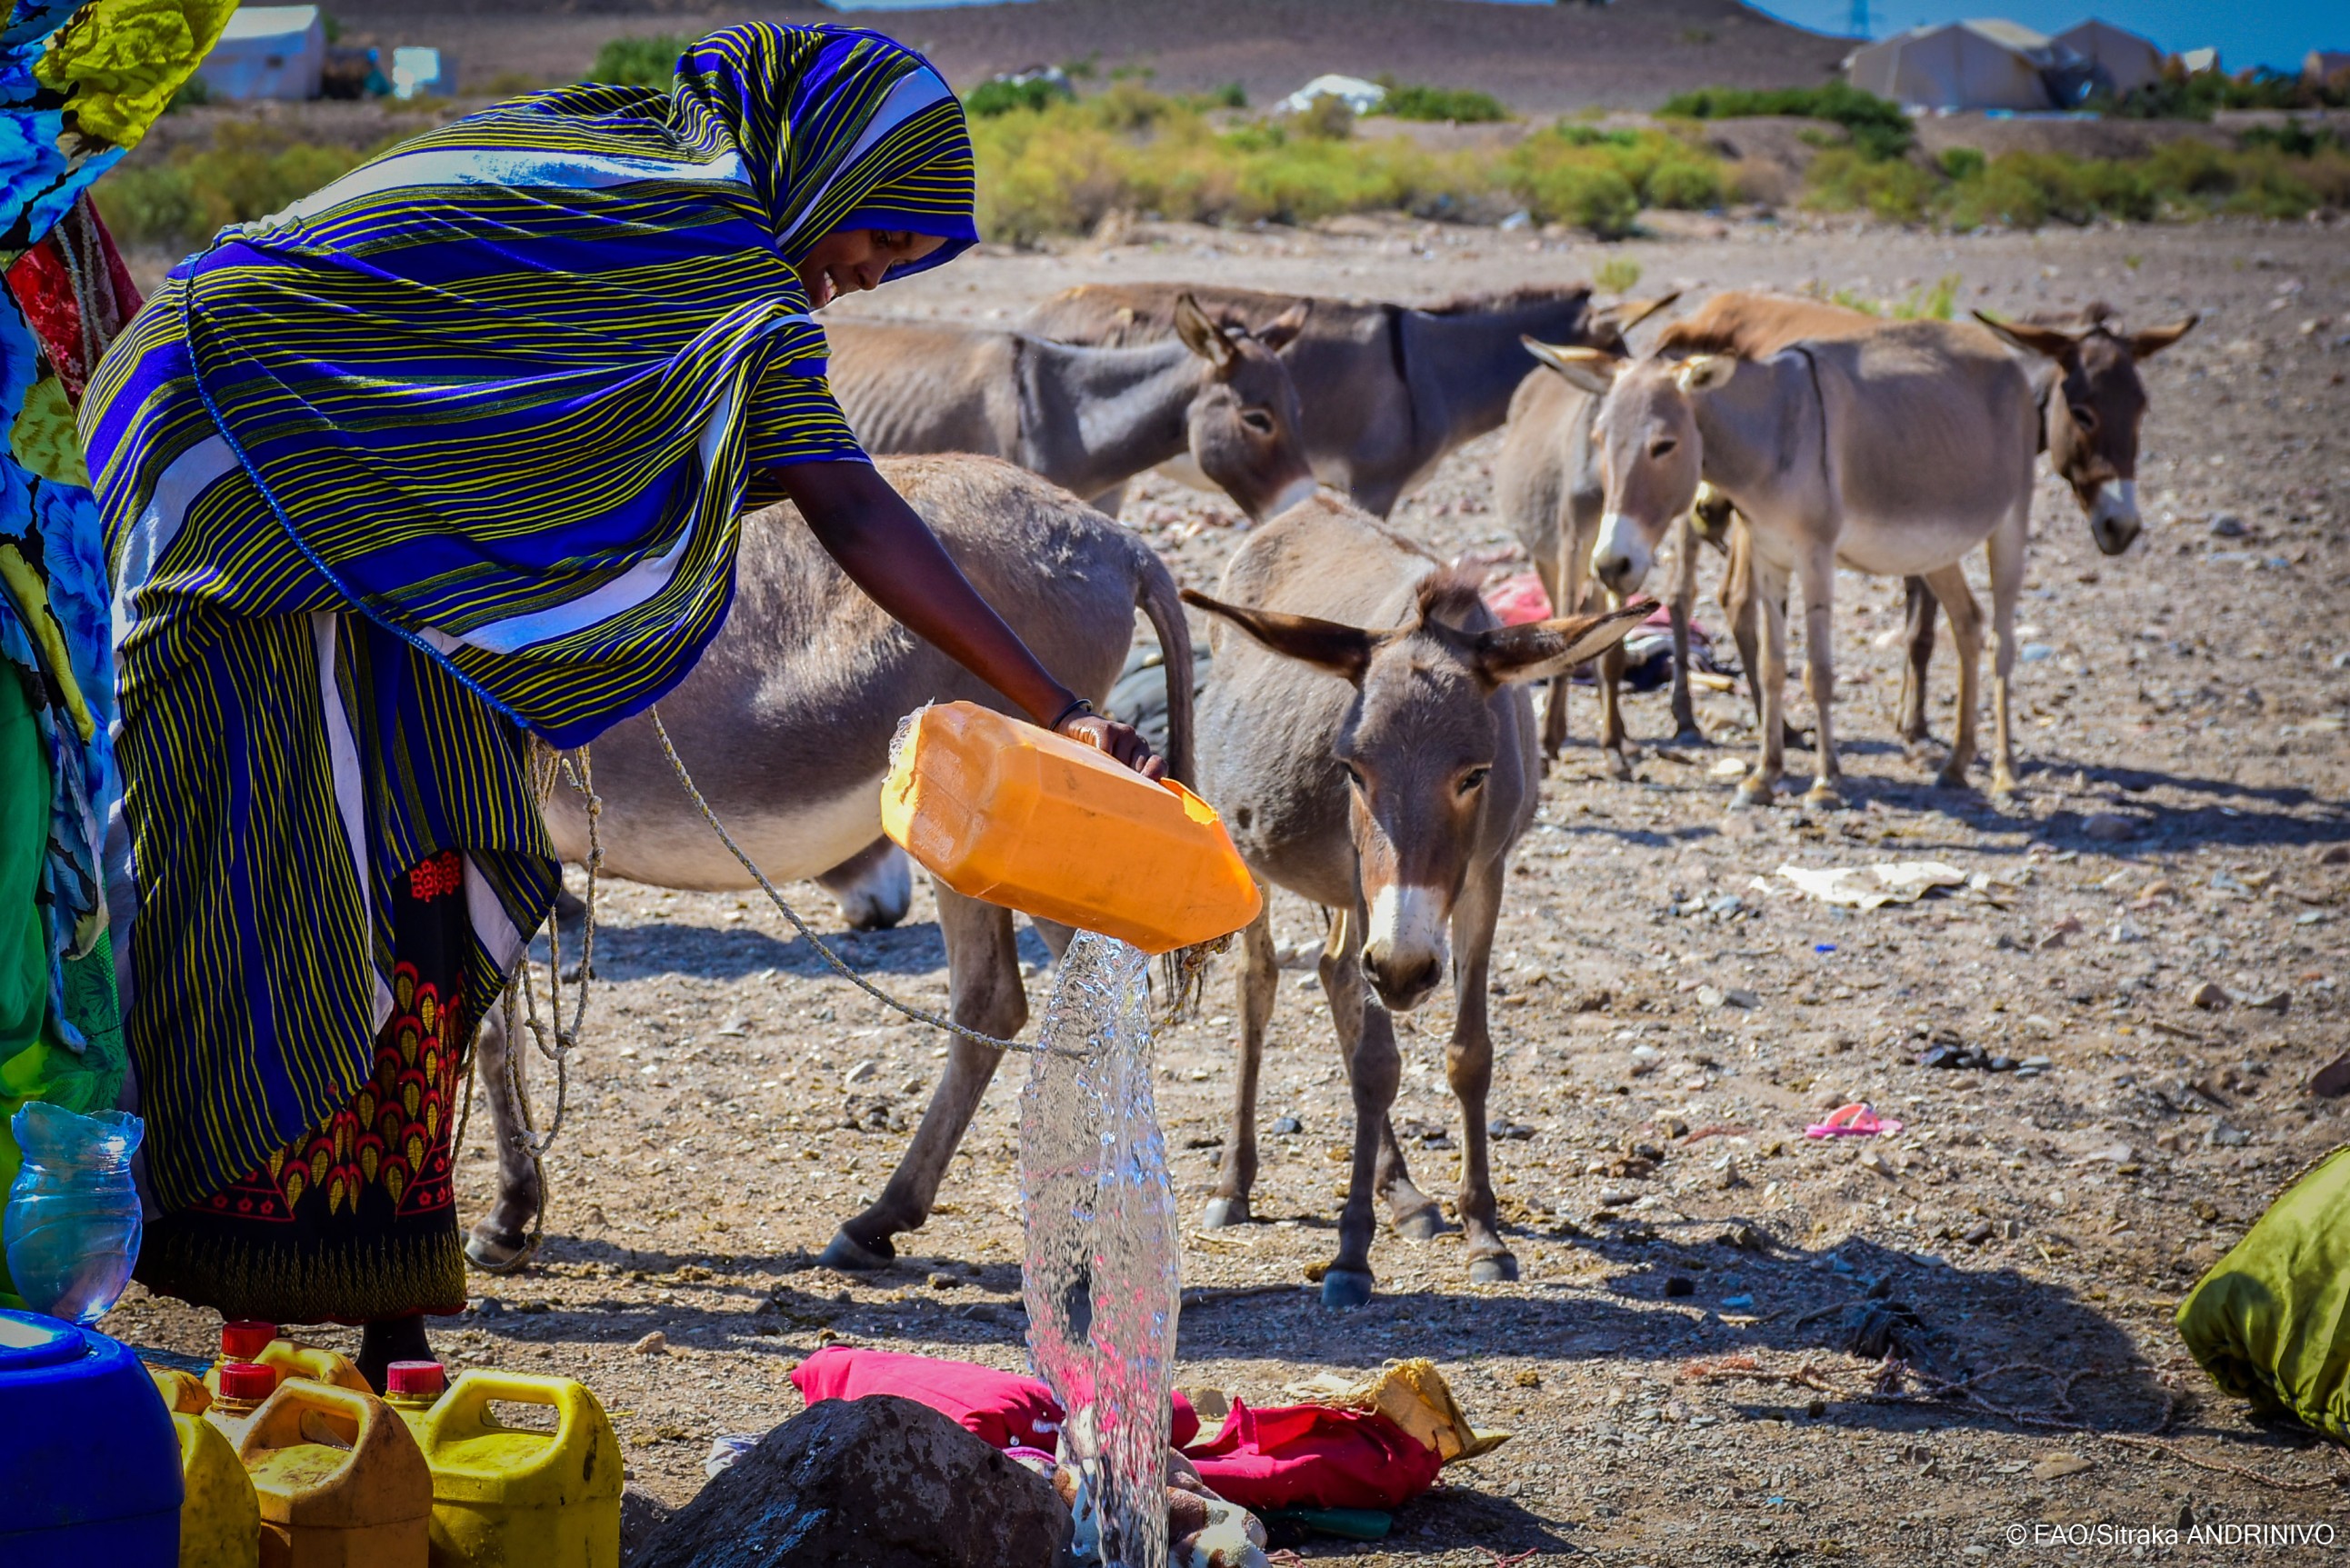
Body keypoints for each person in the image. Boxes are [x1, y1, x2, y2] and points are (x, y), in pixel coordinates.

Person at [78, 24, 1157, 1385]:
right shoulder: (704, 251)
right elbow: (847, 503)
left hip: (402, 543)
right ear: (820, 165)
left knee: (443, 860)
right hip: (246, 486)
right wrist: (1055, 704)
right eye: (876, 238)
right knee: (272, 874)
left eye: (894, 267)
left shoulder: (653, 186)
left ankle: (384, 1297)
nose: (868, 275)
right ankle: (222, 1277)